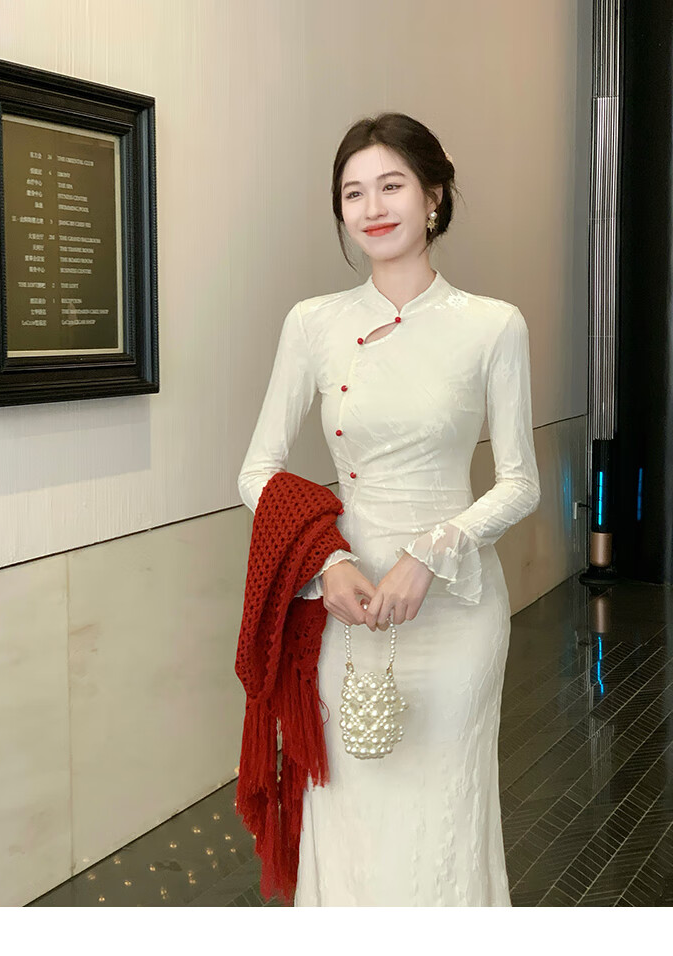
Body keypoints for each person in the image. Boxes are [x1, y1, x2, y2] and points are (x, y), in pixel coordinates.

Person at [237, 111, 540, 906]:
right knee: (351, 810)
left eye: (392, 185)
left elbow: (520, 482)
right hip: (347, 607)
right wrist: (327, 564)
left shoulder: (493, 325)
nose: (372, 207)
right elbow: (258, 471)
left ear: (433, 196)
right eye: (353, 192)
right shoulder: (314, 324)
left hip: (458, 612)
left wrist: (431, 552)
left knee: (446, 812)